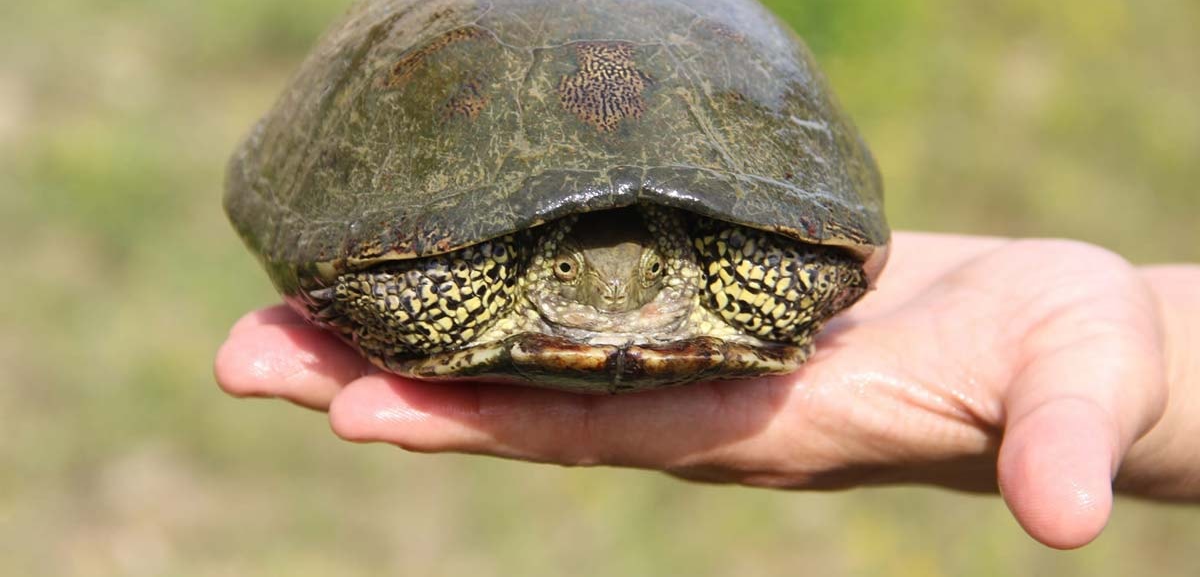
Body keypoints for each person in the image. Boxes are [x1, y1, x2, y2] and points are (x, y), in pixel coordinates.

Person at [214, 232, 1198, 549]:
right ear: (544, 265)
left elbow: (828, 264)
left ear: (674, 264)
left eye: (644, 275)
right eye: (574, 275)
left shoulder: (724, 277)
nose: (612, 298)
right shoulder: (486, 279)